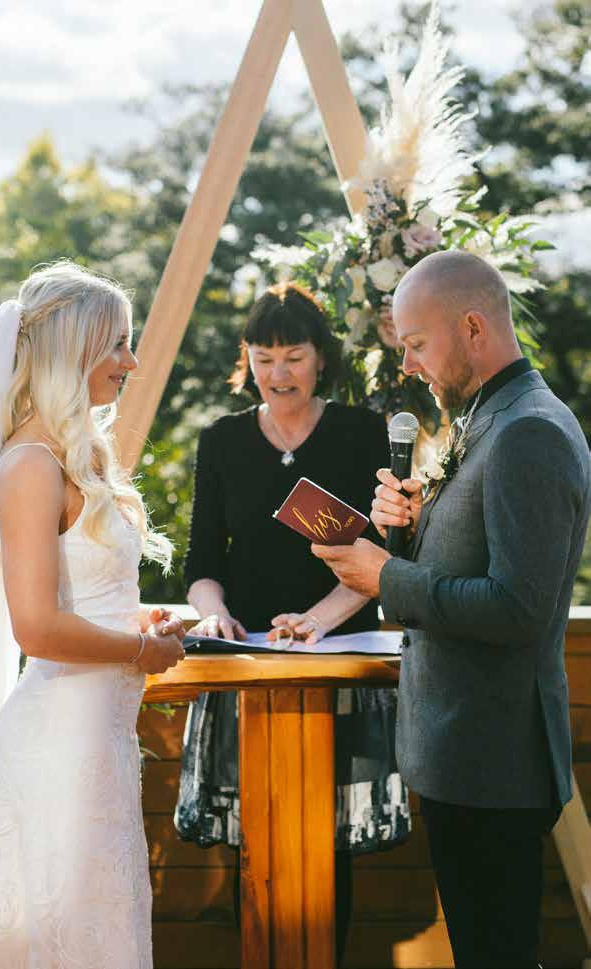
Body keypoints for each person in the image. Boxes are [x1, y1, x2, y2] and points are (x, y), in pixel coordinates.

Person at [313, 250, 591, 969]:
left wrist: (384, 576)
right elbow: (469, 560)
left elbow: (518, 608)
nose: (408, 365)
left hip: (494, 760)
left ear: (472, 327)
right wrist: (407, 528)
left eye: (415, 343)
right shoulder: (488, 415)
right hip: (462, 754)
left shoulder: (528, 431)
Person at [174, 282, 410, 963]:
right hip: (246, 666)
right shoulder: (221, 440)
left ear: (321, 358)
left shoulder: (362, 432)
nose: (278, 374)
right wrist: (215, 615)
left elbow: (383, 554)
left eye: (294, 357)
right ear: (246, 361)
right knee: (248, 844)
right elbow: (200, 562)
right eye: (263, 358)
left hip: (338, 656)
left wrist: (316, 621)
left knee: (329, 842)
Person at [0, 261, 186, 969]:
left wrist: (138, 620)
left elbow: (82, 598)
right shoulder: (30, 466)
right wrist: (141, 652)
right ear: (73, 349)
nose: (131, 362)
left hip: (98, 747)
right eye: (117, 343)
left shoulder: (74, 458)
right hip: (55, 751)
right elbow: (34, 626)